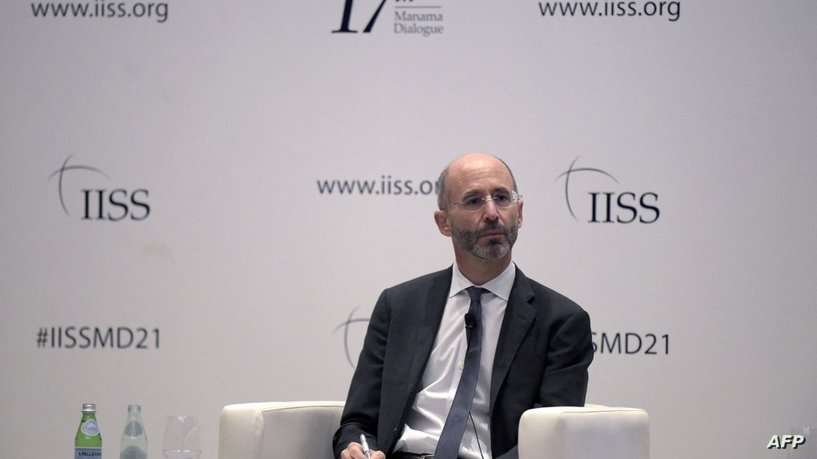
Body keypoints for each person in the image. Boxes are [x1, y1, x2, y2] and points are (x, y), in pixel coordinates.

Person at [333, 153, 593, 459]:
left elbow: (548, 442)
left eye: (501, 198)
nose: (492, 213)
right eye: (474, 201)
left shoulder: (562, 322)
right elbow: (357, 422)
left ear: (519, 212)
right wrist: (356, 449)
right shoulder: (399, 306)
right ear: (443, 223)